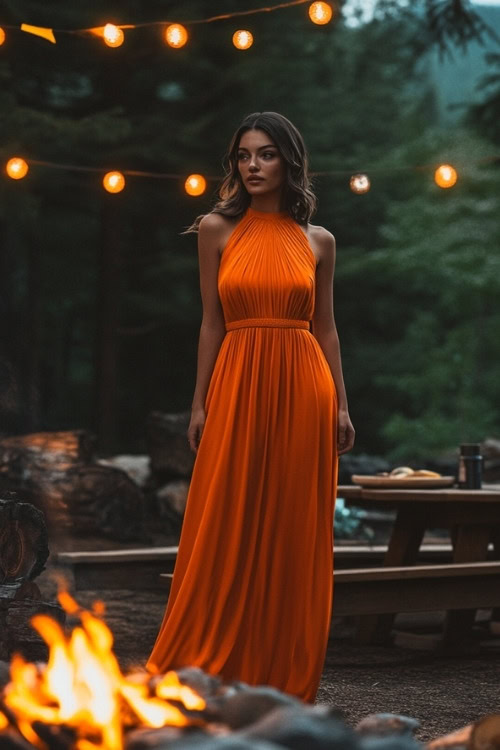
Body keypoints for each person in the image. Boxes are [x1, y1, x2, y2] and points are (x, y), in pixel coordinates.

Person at [146, 111, 355, 704]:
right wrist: (198, 401)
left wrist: (341, 403)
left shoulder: (319, 241)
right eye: (244, 156)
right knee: (225, 513)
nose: (253, 166)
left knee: (292, 524)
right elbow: (211, 323)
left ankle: (282, 671)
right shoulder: (216, 229)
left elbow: (328, 328)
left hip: (304, 382)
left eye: (265, 154)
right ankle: (210, 659)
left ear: (289, 160)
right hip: (237, 377)